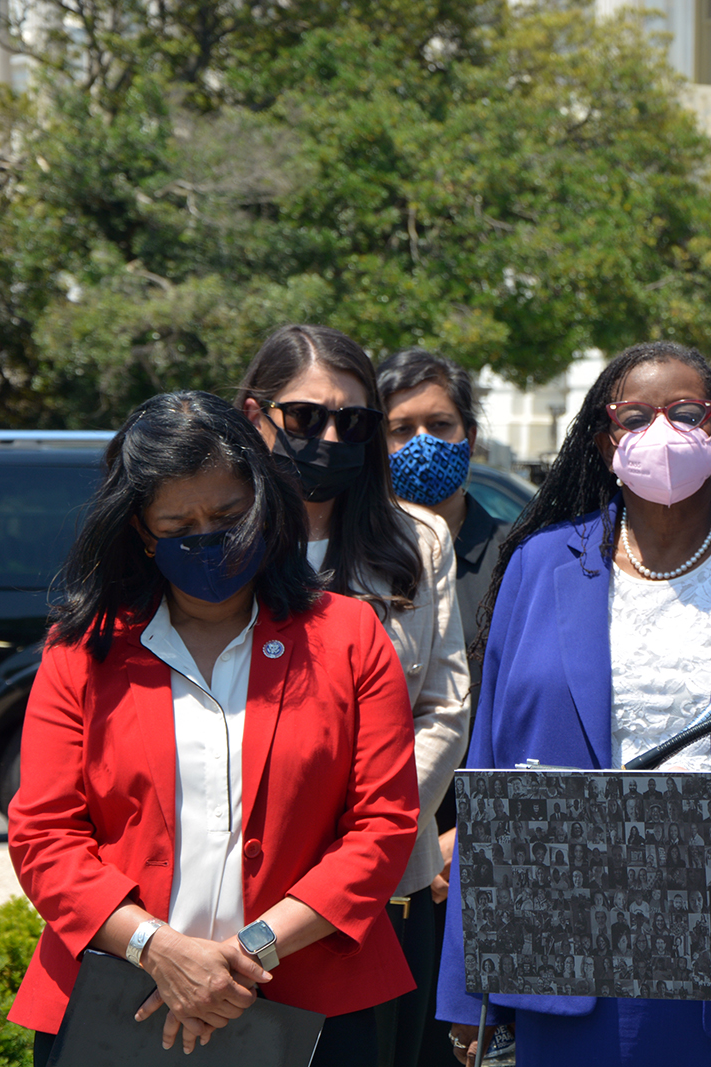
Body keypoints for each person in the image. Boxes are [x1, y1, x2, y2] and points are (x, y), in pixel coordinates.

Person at [436, 341, 711, 1067]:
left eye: (686, 413)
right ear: (604, 439)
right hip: (563, 955)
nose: (663, 431)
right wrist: (470, 991)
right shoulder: (538, 566)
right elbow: (489, 779)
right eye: (635, 417)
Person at [7, 392, 419, 1065]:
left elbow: (383, 826)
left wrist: (247, 951)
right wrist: (157, 948)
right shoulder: (81, 650)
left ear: (262, 502)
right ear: (142, 530)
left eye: (227, 517)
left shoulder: (347, 636)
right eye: (179, 524)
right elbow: (44, 833)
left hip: (311, 1003)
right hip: (116, 997)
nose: (208, 539)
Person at [236, 325, 470, 1067]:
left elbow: (443, 706)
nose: (330, 436)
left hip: (378, 887)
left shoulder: (418, 540)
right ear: (254, 414)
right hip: (237, 888)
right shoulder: (218, 542)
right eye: (306, 417)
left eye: (354, 421)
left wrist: (368, 841)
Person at [375, 346, 519, 1067]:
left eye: (443, 422)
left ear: (472, 433)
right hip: (382, 856)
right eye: (401, 428)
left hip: (480, 854)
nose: (423, 443)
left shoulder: (522, 555)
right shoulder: (354, 559)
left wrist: (469, 833)